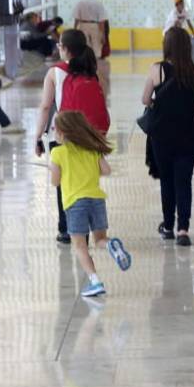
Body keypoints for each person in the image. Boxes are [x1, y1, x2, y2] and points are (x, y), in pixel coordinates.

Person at [34, 29, 111, 243]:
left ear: (66, 49)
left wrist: (38, 136)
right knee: (87, 178)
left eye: (60, 45)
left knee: (63, 182)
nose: (58, 48)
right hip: (89, 134)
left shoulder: (54, 72)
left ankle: (67, 228)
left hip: (62, 135)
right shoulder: (92, 72)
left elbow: (45, 107)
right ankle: (89, 223)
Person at [48, 109, 132, 299]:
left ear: (62, 133)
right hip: (96, 199)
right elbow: (107, 170)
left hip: (75, 203)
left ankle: (95, 282)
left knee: (80, 246)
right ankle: (112, 246)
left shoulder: (57, 152)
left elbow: (55, 182)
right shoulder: (92, 148)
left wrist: (54, 168)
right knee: (101, 240)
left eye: (55, 129)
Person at [140, 27, 194, 246]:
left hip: (162, 134)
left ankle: (168, 225)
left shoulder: (157, 69)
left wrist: (160, 106)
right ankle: (183, 229)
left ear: (166, 46)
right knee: (184, 181)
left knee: (167, 180)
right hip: (188, 133)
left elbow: (145, 99)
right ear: (187, 47)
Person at [71, 0, 112, 95]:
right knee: (96, 49)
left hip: (82, 25)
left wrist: (75, 30)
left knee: (84, 47)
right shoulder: (98, 3)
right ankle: (95, 69)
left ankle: (84, 67)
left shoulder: (80, 3)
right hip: (94, 26)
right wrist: (103, 35)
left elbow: (76, 18)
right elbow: (102, 21)